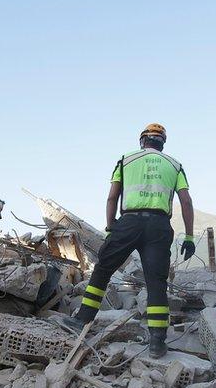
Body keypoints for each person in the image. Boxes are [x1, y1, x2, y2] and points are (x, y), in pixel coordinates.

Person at [65, 123, 195, 358]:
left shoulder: (125, 160)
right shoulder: (175, 165)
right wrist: (189, 236)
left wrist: (110, 226)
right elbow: (186, 201)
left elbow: (112, 196)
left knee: (103, 268)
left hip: (129, 222)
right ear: (162, 143)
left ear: (142, 141)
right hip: (159, 226)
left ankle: (82, 320)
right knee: (156, 282)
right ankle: (157, 342)